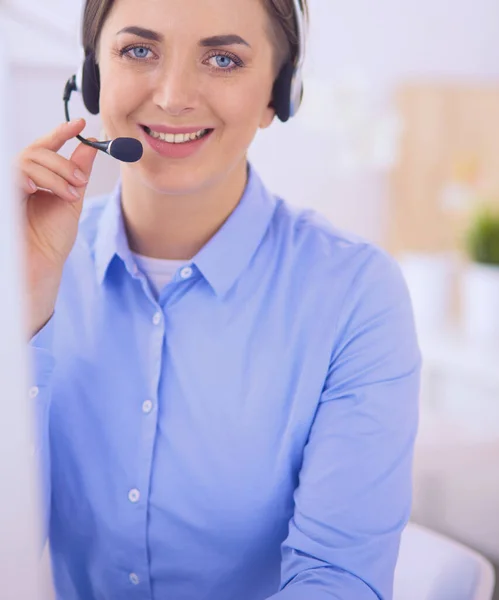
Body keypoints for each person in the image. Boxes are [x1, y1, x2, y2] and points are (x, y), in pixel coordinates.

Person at [18, 0, 421, 598]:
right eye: (138, 50)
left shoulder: (355, 296)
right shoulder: (30, 260)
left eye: (224, 58)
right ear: (93, 76)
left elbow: (339, 580)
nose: (175, 94)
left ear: (278, 95)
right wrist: (25, 304)